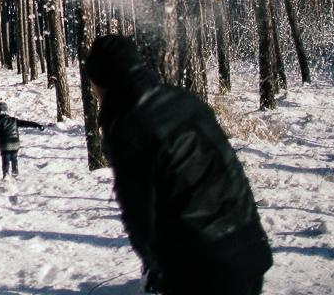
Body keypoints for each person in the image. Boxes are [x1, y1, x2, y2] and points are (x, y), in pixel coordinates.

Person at [86, 33, 273, 295]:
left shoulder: (129, 124)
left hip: (203, 267)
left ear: (104, 81)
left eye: (94, 85)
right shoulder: (183, 99)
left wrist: (162, 272)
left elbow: (140, 215)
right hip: (249, 246)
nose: (94, 93)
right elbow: (231, 170)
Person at [0, 101, 46, 179]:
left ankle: (6, 175)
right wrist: (37, 125)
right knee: (14, 158)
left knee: (6, 160)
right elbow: (26, 123)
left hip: (5, 144)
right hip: (15, 144)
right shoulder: (14, 120)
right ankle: (15, 173)